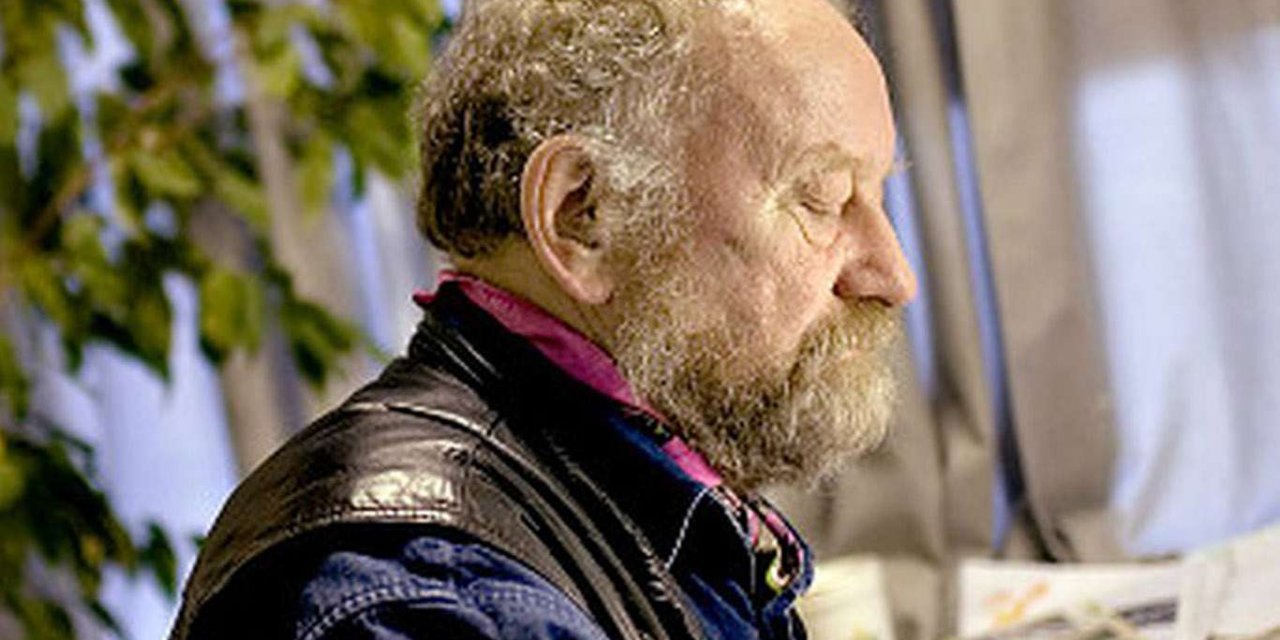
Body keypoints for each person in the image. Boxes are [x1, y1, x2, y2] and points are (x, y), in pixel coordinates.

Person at [171, 0, 917, 637]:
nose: (893, 276)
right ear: (581, 215)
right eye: (822, 199)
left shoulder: (653, 510)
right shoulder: (430, 596)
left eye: (877, 196)